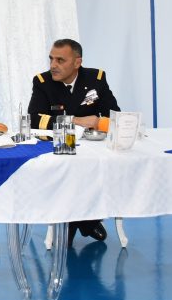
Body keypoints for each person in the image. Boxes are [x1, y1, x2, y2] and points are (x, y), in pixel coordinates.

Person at [28, 38, 119, 245]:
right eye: (51, 59)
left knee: (100, 170)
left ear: (77, 62)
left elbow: (114, 115)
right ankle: (84, 222)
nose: (53, 65)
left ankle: (80, 221)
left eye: (60, 60)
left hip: (90, 148)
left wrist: (99, 122)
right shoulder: (43, 82)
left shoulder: (96, 79)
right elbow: (34, 119)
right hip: (58, 148)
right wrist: (77, 121)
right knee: (64, 172)